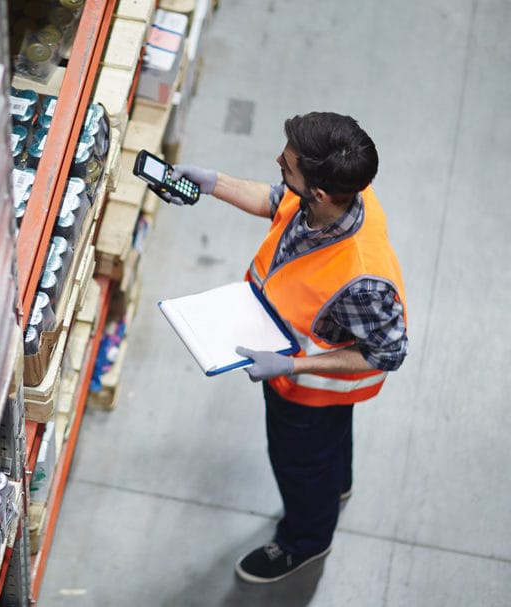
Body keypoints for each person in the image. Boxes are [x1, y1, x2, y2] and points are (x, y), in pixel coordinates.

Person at [167, 112, 408, 583]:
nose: (279, 162)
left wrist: (292, 365)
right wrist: (214, 183)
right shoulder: (339, 196)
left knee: (300, 465)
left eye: (288, 164)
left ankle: (306, 541)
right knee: (328, 455)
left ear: (318, 193)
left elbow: (389, 352)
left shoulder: (362, 280)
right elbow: (279, 201)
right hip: (311, 389)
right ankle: (336, 485)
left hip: (307, 395)